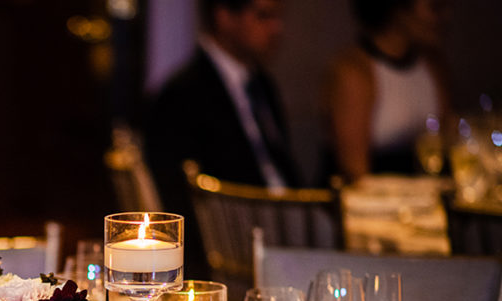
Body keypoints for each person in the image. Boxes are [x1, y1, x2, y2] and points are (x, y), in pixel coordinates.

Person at [143, 0, 299, 278]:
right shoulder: (182, 95)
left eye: (278, 17)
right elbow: (179, 202)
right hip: (236, 250)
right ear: (225, 16)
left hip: (289, 229)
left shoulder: (262, 84)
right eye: (264, 16)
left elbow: (280, 166)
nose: (277, 28)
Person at [323, 0, 451, 182]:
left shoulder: (433, 65)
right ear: (398, 10)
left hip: (423, 196)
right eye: (435, 8)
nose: (445, 17)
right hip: (372, 201)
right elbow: (354, 173)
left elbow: (448, 145)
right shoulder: (355, 71)